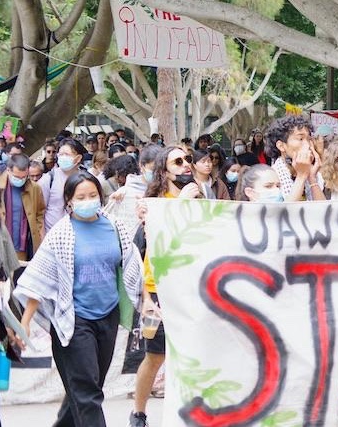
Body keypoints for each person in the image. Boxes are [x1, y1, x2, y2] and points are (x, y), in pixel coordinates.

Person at [12, 172, 143, 427]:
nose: (88, 200)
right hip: (74, 320)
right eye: (81, 197)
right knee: (87, 393)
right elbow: (39, 281)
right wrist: (25, 322)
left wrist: (146, 300)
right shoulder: (61, 235)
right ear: (69, 201)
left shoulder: (115, 227)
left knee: (88, 389)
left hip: (108, 315)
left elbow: (132, 266)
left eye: (93, 195)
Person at [130, 146, 201, 427]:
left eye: (188, 160)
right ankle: (138, 413)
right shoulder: (154, 205)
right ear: (164, 170)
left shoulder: (200, 199)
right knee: (155, 355)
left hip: (192, 288)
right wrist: (146, 298)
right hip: (157, 290)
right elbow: (157, 246)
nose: (186, 165)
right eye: (178, 161)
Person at [265, 116, 325, 201]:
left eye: (309, 139)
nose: (308, 145)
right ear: (281, 146)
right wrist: (301, 176)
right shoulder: (271, 177)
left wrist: (312, 178)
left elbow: (323, 210)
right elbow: (287, 212)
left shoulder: (314, 173)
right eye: (300, 139)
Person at [0, 154, 46, 261]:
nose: (20, 180)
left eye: (24, 177)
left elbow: (39, 214)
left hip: (22, 244)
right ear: (8, 170)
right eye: (16, 177)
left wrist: (40, 236)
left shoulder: (35, 188)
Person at [39, 140, 89, 234]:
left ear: (78, 158)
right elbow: (39, 213)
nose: (62, 157)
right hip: (54, 235)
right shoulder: (48, 179)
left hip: (80, 233)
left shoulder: (86, 179)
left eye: (66, 154)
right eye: (60, 154)